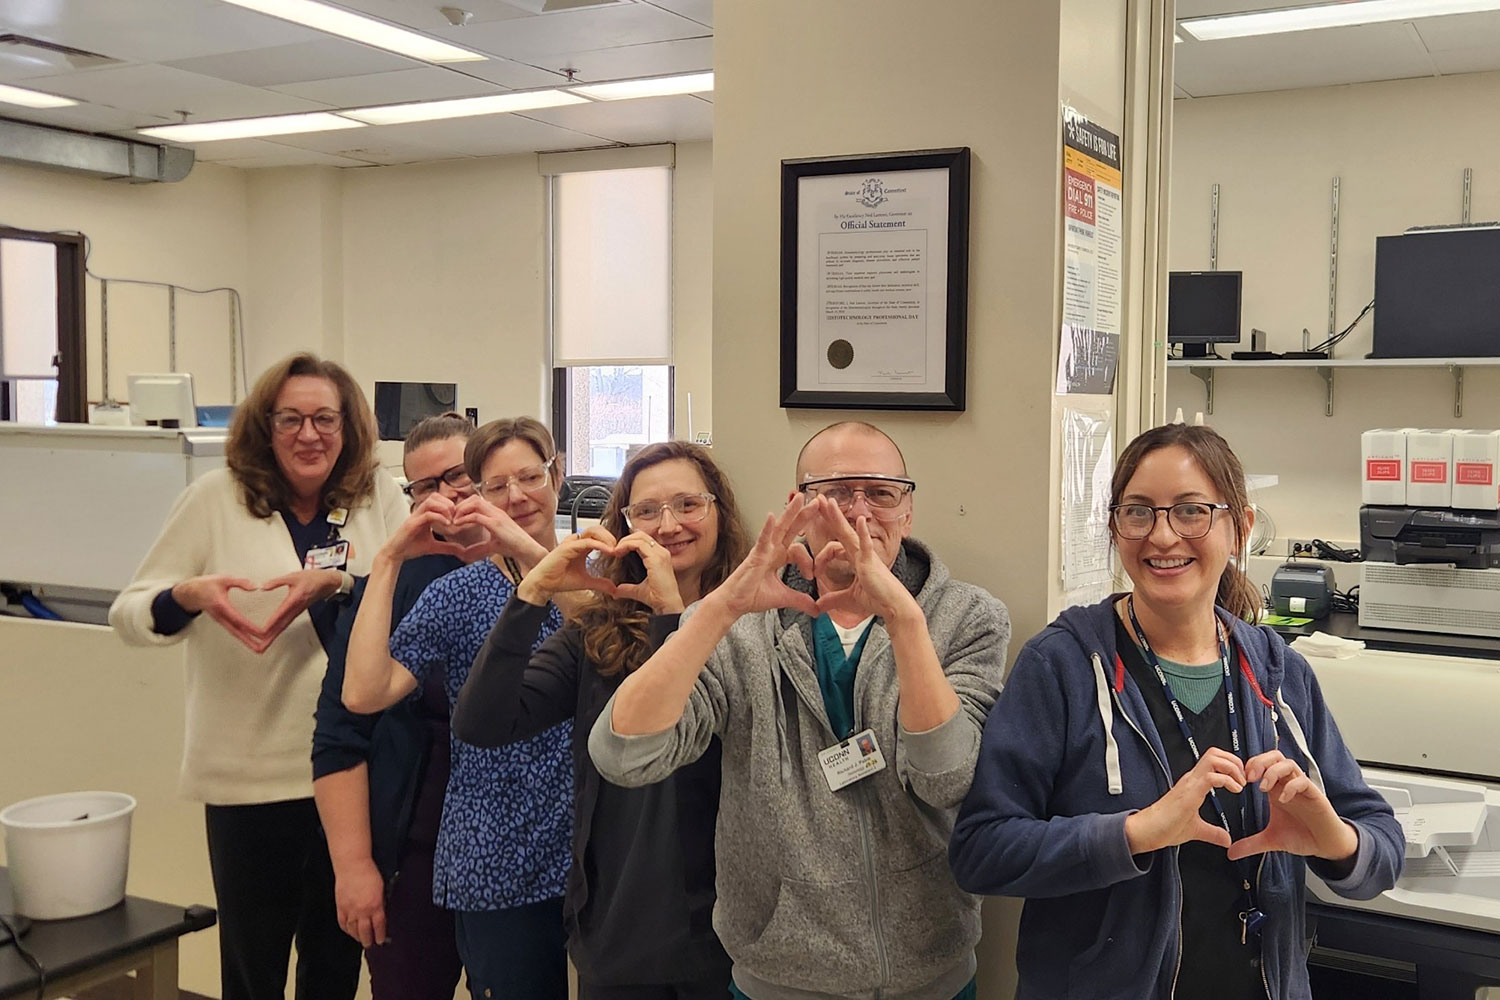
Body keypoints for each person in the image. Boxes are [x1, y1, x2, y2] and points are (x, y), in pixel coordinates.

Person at [948, 423, 1404, 1000]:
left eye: (1191, 511)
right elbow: (981, 852)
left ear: (1240, 527)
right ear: (1116, 528)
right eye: (1139, 513)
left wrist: (1333, 839)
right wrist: (1134, 834)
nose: (1162, 537)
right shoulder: (1061, 666)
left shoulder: (1275, 672)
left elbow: (1382, 846)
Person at [588, 421, 1011, 1000]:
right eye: (835, 493)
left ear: (907, 512)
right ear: (800, 509)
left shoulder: (967, 617)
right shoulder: (742, 627)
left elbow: (947, 779)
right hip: (776, 972)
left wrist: (905, 621)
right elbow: (624, 755)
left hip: (929, 970)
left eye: (881, 494)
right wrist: (716, 611)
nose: (859, 515)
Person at [110, 352, 408, 1000]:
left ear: (349, 426)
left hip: (352, 777)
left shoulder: (376, 498)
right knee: (253, 970)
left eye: (325, 418)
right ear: (264, 427)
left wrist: (339, 581)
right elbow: (128, 613)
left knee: (335, 966)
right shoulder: (215, 501)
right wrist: (187, 595)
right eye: (291, 419)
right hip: (249, 782)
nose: (310, 434)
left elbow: (409, 596)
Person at [453, 442, 748, 1000]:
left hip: (730, 932)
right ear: (624, 524)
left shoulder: (758, 621)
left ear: (719, 513)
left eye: (689, 504)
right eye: (647, 511)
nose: (669, 525)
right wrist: (532, 592)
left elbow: (688, 740)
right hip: (621, 928)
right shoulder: (598, 633)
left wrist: (671, 615)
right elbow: (483, 722)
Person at [341, 416, 575, 1000]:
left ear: (559, 475)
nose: (516, 496)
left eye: (530, 477)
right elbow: (364, 693)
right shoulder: (456, 593)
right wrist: (390, 559)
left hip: (592, 849)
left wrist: (528, 554)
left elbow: (606, 641)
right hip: (494, 855)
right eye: (496, 486)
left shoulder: (602, 572)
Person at [312, 411, 482, 1000]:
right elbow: (338, 732)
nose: (446, 497)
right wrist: (354, 867)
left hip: (514, 859)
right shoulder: (398, 587)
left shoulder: (537, 573)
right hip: (415, 860)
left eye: (459, 475)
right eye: (425, 487)